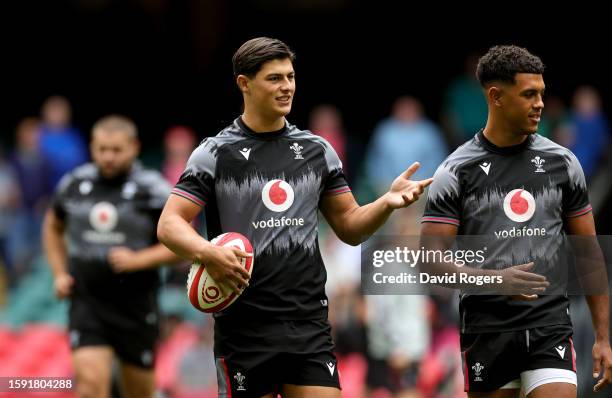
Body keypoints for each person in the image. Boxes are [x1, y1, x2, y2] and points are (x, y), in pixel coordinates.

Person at [156, 37, 432, 398]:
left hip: (308, 324)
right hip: (245, 329)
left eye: (290, 76)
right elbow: (169, 224)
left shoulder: (318, 151)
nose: (287, 86)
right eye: (274, 78)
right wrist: (207, 252)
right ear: (245, 83)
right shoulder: (214, 153)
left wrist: (386, 202)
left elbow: (349, 226)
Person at [420, 45, 612, 397]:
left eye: (541, 93)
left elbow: (588, 253)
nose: (540, 103)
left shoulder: (563, 163)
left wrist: (603, 336)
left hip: (549, 326)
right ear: (496, 97)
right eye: (528, 94)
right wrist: (497, 280)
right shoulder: (455, 171)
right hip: (486, 331)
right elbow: (430, 261)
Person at [43, 115, 177, 398]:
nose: (108, 157)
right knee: (91, 385)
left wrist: (138, 260)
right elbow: (52, 227)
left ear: (134, 147)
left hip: (136, 306)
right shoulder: (74, 184)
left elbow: (181, 246)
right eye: (102, 149)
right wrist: (58, 273)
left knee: (139, 392)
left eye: (116, 150)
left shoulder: (153, 189)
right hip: (88, 303)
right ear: (92, 147)